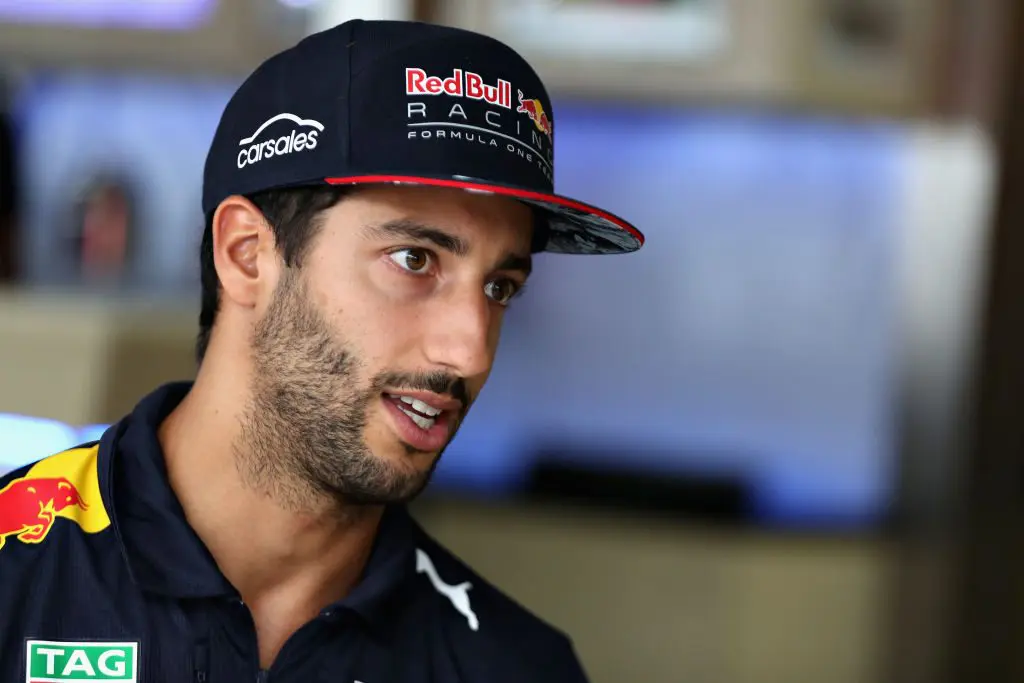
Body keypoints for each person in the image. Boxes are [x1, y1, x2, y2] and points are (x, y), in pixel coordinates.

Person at [0, 19, 643, 682]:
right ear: (247, 255)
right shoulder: (18, 574)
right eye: (413, 259)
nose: (469, 350)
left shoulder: (515, 668)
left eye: (499, 287)